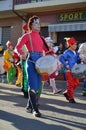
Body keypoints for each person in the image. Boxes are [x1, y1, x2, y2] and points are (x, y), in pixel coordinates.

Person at [15, 15, 47, 117]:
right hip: (31, 61)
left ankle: (29, 106)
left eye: (39, 23)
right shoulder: (27, 35)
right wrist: (21, 54)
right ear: (31, 25)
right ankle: (35, 109)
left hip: (40, 62)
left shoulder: (41, 38)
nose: (38, 25)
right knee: (32, 86)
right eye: (36, 23)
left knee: (37, 86)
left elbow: (46, 51)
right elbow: (17, 47)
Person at [59, 37, 81, 103]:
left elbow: (78, 60)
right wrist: (66, 65)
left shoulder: (76, 52)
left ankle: (66, 92)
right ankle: (71, 98)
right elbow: (61, 59)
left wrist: (81, 59)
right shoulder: (67, 52)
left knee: (76, 83)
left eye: (76, 44)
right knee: (70, 84)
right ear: (70, 45)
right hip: (69, 71)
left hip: (75, 70)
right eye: (74, 44)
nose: (75, 45)